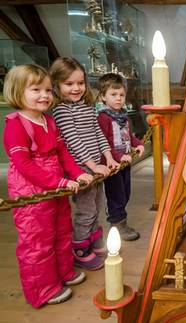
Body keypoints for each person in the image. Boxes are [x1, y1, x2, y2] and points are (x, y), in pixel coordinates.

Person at [2, 65, 93, 307]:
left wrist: (77, 173)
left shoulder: (49, 121)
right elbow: (23, 164)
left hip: (57, 188)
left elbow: (63, 154)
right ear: (17, 91)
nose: (44, 95)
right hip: (31, 191)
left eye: (48, 90)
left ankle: (63, 273)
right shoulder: (15, 124)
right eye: (36, 90)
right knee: (37, 240)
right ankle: (42, 289)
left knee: (62, 231)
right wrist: (59, 181)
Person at [50, 57, 120, 270]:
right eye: (69, 84)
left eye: (80, 83)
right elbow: (73, 141)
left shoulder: (88, 106)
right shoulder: (61, 110)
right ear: (56, 85)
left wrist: (107, 157)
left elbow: (97, 133)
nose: (76, 88)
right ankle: (80, 247)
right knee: (85, 209)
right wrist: (91, 165)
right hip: (81, 169)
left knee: (97, 204)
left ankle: (93, 237)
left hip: (96, 165)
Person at [97, 73, 145, 241]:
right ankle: (117, 225)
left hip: (124, 163)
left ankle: (121, 222)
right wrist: (118, 156)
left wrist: (138, 144)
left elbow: (129, 136)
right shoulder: (103, 118)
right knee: (115, 195)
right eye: (113, 94)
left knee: (125, 193)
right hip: (112, 165)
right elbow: (103, 142)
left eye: (121, 95)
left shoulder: (124, 116)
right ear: (103, 96)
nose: (118, 98)